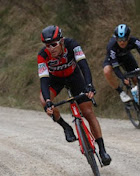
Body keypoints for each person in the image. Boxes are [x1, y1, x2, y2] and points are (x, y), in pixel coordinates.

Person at [38, 25, 111, 166]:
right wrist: (48, 101)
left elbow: (83, 65)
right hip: (55, 80)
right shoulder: (42, 55)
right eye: (47, 46)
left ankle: (102, 150)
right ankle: (66, 127)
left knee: (88, 112)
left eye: (53, 44)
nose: (51, 48)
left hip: (74, 76)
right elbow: (44, 79)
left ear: (61, 41)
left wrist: (89, 84)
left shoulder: (72, 45)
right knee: (43, 99)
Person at [103, 24, 140, 103]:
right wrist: (123, 78)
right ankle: (121, 92)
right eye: (119, 39)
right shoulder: (112, 46)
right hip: (112, 59)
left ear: (129, 37)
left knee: (136, 78)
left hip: (126, 57)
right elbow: (115, 67)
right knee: (107, 71)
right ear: (116, 38)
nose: (122, 42)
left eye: (124, 39)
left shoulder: (134, 41)